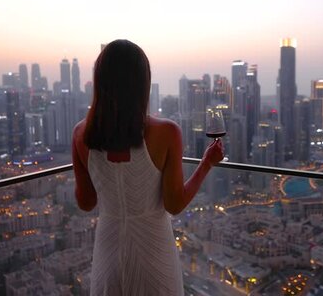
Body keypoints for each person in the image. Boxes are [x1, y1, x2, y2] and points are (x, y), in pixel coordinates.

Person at [71, 39, 224, 295]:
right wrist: (206, 164)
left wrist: (99, 176)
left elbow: (85, 202)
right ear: (142, 84)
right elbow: (174, 204)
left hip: (108, 253)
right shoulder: (166, 132)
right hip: (154, 253)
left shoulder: (80, 134)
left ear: (100, 82)